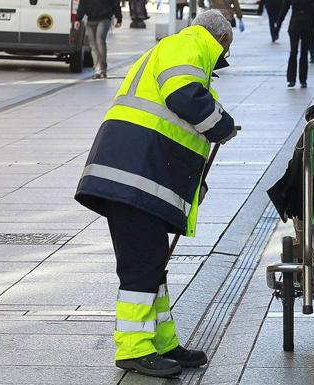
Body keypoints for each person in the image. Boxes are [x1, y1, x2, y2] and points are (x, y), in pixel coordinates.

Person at [74, 10, 238, 378]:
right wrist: (221, 126)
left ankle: (162, 342)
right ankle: (133, 348)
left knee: (152, 264)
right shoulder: (190, 43)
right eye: (227, 48)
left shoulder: (181, 48)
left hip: (135, 174)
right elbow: (184, 96)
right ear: (221, 38)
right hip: (132, 175)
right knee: (141, 264)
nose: (224, 56)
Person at [277, 0, 314, 88]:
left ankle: (291, 79)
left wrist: (278, 26)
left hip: (294, 24)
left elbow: (284, 9)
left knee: (293, 52)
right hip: (307, 26)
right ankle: (303, 80)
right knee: (304, 53)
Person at [74, 0, 122, 79]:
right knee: (93, 45)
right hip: (91, 19)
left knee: (100, 40)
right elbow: (82, 4)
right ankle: (97, 69)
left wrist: (119, 18)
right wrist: (78, 19)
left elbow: (115, 3)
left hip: (104, 18)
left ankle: (102, 70)